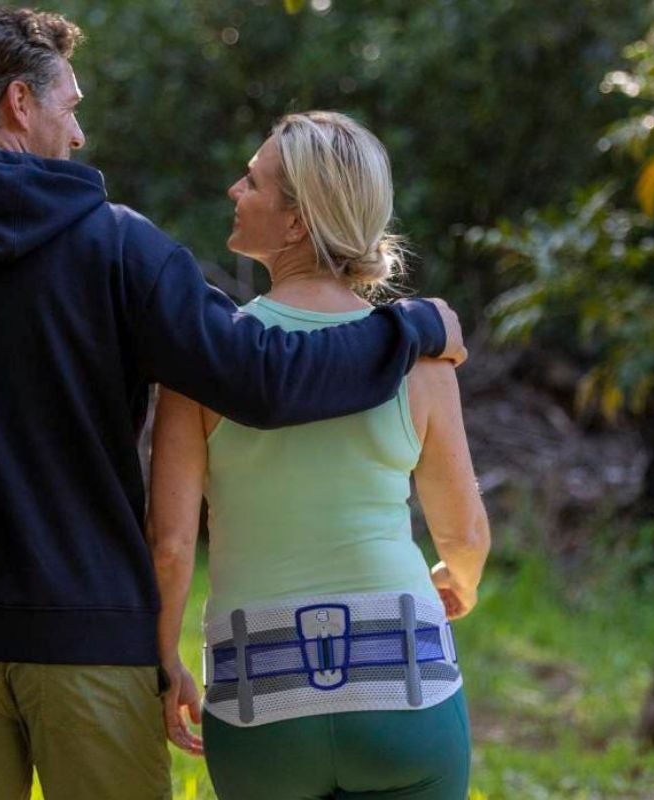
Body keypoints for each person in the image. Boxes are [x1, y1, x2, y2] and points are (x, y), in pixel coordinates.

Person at [0, 7, 469, 799]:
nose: (79, 134)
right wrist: (414, 326)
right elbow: (261, 376)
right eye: (71, 105)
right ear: (21, 103)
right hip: (86, 639)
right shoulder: (118, 247)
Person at [148, 111, 493, 800]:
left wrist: (165, 664)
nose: (232, 190)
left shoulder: (207, 365)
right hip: (403, 689)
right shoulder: (422, 358)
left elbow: (171, 547)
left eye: (251, 180)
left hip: (258, 698)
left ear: (297, 221)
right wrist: (461, 579)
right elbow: (465, 533)